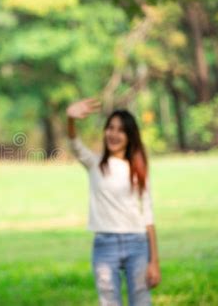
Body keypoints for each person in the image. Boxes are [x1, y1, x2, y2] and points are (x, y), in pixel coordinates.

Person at [66, 99, 161, 306]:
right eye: (110, 128)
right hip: (105, 244)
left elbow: (148, 215)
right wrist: (71, 119)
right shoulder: (95, 163)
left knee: (141, 300)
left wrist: (154, 261)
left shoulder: (138, 168)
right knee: (109, 301)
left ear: (130, 136)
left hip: (137, 243)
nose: (114, 134)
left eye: (121, 130)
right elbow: (74, 143)